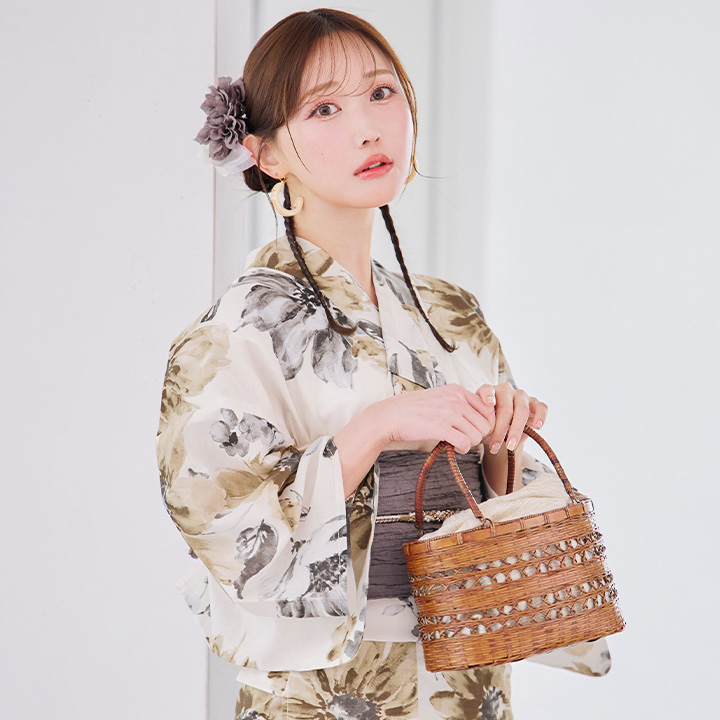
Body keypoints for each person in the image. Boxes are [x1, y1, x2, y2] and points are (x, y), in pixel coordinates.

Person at [156, 8, 552, 719]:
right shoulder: (234, 333)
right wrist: (372, 429)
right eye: (324, 109)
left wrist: (503, 441)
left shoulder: (450, 311)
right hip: (327, 693)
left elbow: (501, 513)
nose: (369, 128)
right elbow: (222, 526)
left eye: (381, 92)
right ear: (265, 154)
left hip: (463, 677)